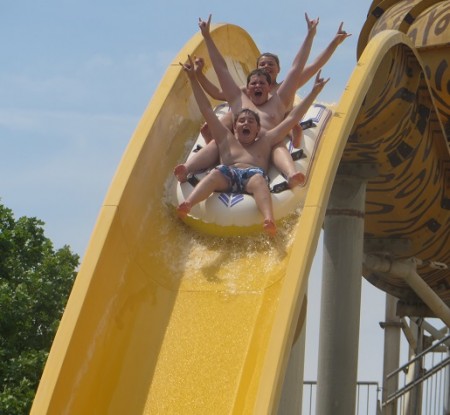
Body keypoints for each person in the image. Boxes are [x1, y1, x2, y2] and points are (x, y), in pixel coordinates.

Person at [174, 14, 350, 185]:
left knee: (279, 142)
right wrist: (206, 39)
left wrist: (313, 35)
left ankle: (291, 169)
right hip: (237, 144)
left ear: (277, 71)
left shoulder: (281, 94)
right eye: (261, 67)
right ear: (250, 84)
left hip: (268, 140)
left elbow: (299, 68)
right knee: (219, 138)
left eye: (270, 65)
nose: (265, 70)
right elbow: (221, 72)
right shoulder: (241, 94)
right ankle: (187, 168)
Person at [176, 55, 329, 236]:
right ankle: (189, 203)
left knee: (259, 182)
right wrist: (194, 78)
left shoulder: (266, 139)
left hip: (252, 175)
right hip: (227, 173)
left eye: (250, 122)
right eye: (241, 121)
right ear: (234, 126)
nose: (246, 124)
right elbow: (207, 109)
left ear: (258, 130)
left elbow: (293, 117)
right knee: (214, 174)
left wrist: (314, 92)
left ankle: (268, 218)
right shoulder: (227, 138)